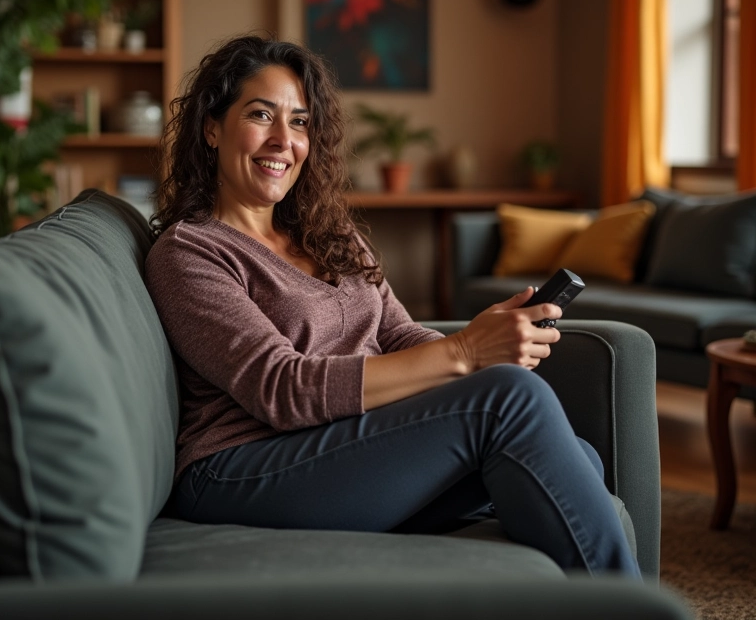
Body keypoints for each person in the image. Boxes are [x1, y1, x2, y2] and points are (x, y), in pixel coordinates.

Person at [145, 33, 641, 578]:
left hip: (345, 445)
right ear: (212, 128)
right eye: (261, 115)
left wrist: (484, 348)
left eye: (300, 122)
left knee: (575, 455)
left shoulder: (328, 234)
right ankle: (631, 606)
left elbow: (400, 333)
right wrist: (465, 354)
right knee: (510, 404)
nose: (283, 140)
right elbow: (282, 389)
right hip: (243, 467)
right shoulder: (191, 252)